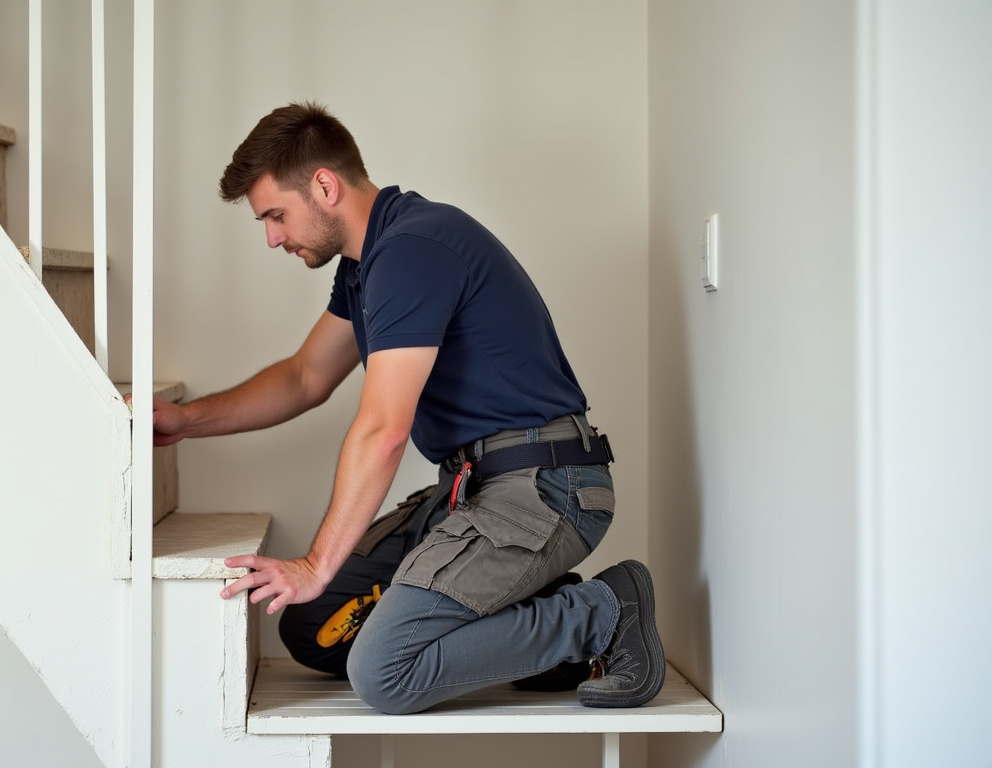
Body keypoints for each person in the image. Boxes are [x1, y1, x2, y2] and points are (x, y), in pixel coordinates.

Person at [141, 101, 664, 714]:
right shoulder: (367, 265)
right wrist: (185, 421)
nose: (272, 237)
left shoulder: (414, 249)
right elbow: (305, 376)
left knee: (385, 671)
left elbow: (384, 430)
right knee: (312, 625)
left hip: (546, 488)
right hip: (472, 489)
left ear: (325, 185)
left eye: (276, 215)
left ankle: (602, 613)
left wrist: (314, 562)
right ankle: (532, 616)